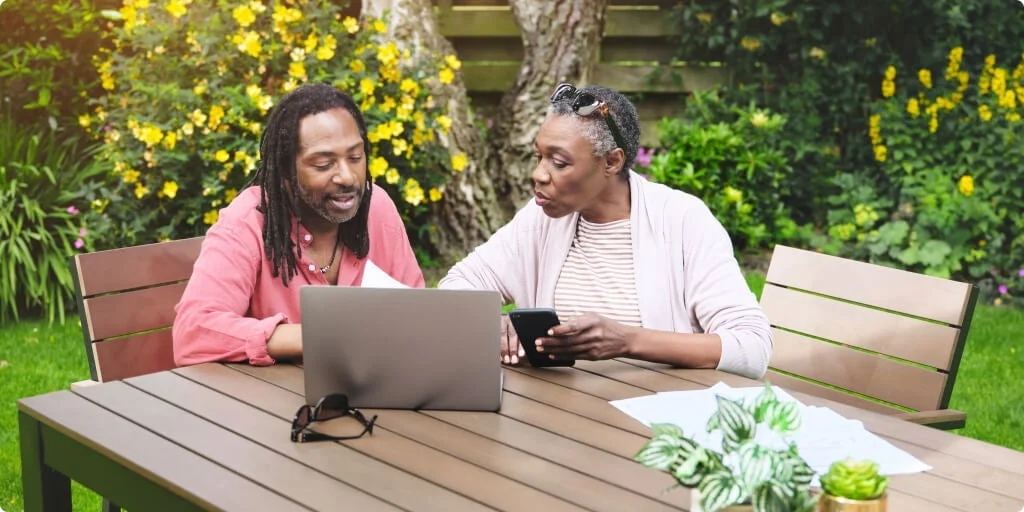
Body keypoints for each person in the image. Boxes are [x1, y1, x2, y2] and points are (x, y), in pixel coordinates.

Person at [437, 83, 772, 379]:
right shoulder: (541, 218)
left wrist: (627, 341)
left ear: (612, 162)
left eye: (560, 162)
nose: (539, 174)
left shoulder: (683, 221)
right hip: (549, 418)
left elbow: (752, 348)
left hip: (654, 417)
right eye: (539, 157)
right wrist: (495, 323)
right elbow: (457, 285)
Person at [173, 83, 425, 367]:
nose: (348, 177)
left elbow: (418, 317)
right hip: (268, 403)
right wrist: (314, 337)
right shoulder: (247, 222)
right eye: (323, 165)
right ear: (286, 172)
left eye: (355, 157)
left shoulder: (376, 207)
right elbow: (193, 332)